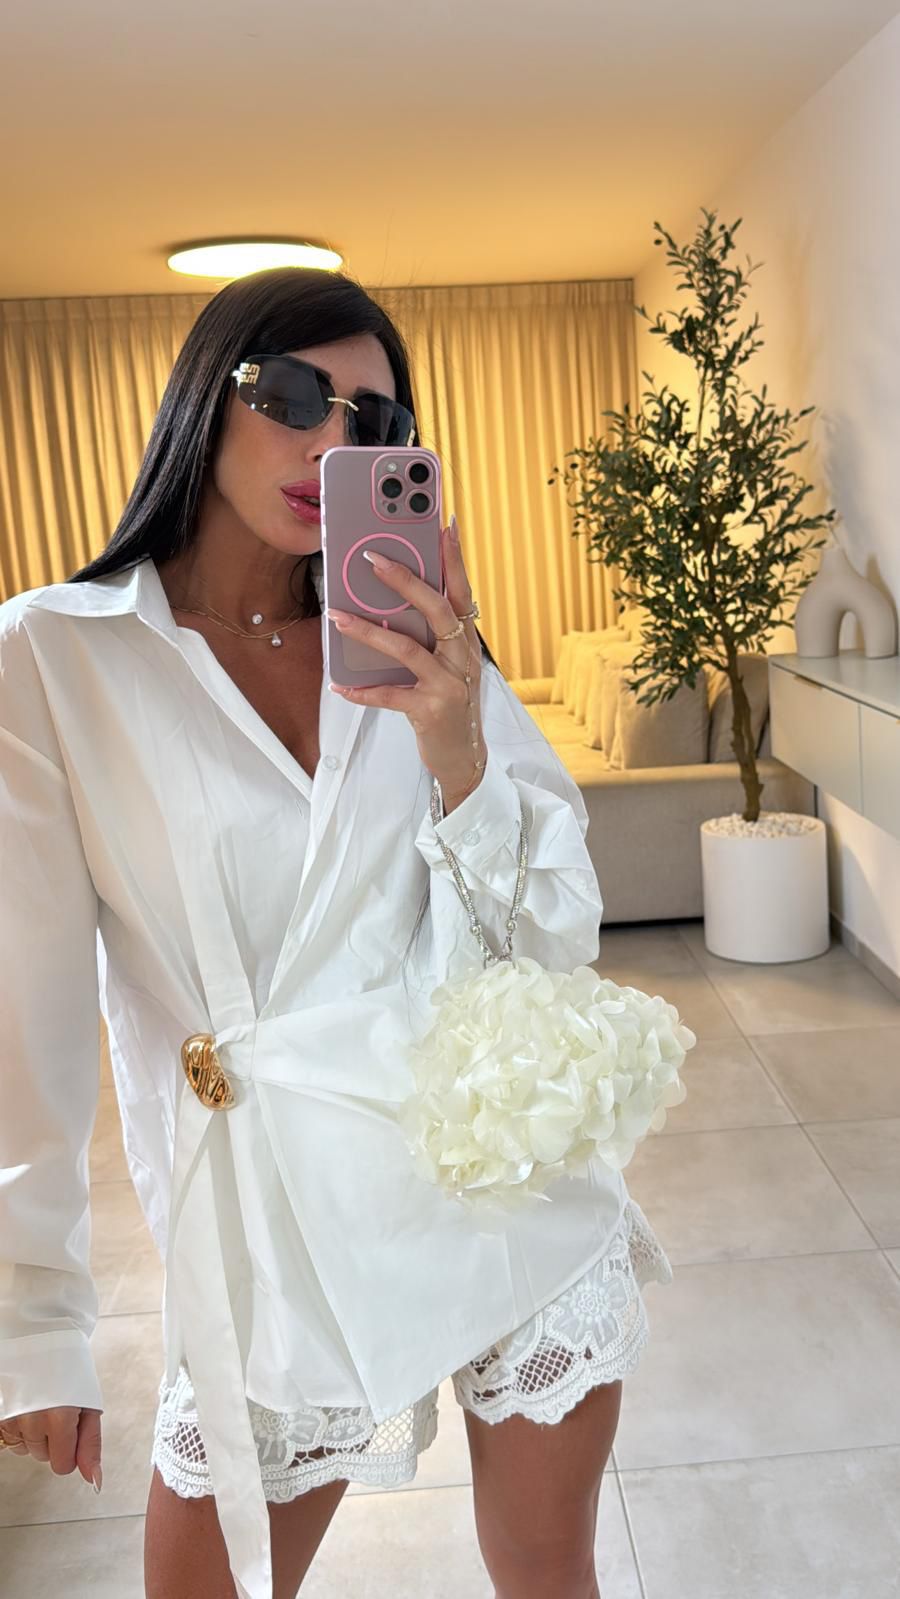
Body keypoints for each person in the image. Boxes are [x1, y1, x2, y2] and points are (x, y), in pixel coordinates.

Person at [0, 267, 673, 1599]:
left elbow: (549, 938)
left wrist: (457, 742)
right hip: (277, 1223)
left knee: (548, 1570)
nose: (331, 441)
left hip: (495, 1177)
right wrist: (32, 1316)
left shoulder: (410, 642)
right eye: (295, 395)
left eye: (374, 420)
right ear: (206, 397)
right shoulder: (55, 660)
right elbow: (24, 1013)